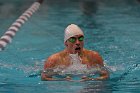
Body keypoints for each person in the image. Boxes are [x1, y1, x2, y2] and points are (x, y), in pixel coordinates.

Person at [41, 24, 109, 81]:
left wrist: (92, 80)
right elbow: (44, 78)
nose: (78, 42)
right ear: (66, 43)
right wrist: (61, 80)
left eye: (80, 38)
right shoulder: (53, 60)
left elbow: (106, 75)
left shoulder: (94, 57)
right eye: (73, 39)